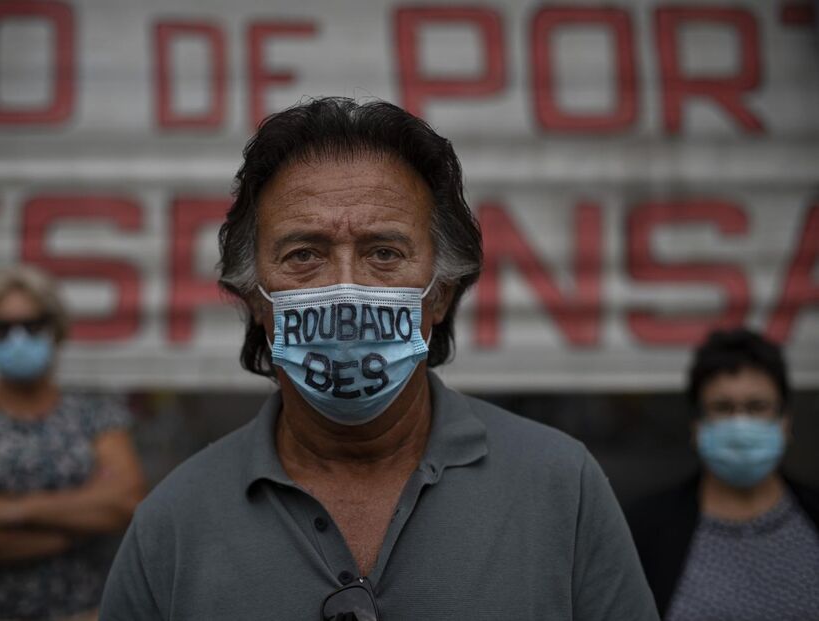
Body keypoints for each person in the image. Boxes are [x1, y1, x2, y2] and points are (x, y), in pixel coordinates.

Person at [101, 97, 658, 620]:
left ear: (440, 293)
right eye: (304, 254)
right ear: (256, 298)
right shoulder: (172, 524)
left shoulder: (562, 486)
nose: (346, 290)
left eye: (384, 253)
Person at [0, 265, 146, 621]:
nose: (17, 339)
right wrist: (68, 533)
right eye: (1, 327)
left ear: (56, 329)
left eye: (32, 325)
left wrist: (10, 510)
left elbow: (126, 502)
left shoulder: (96, 415)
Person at [626, 328, 819, 620]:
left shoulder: (812, 519)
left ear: (785, 421)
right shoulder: (645, 530)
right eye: (722, 407)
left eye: (757, 407)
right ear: (696, 424)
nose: (740, 424)